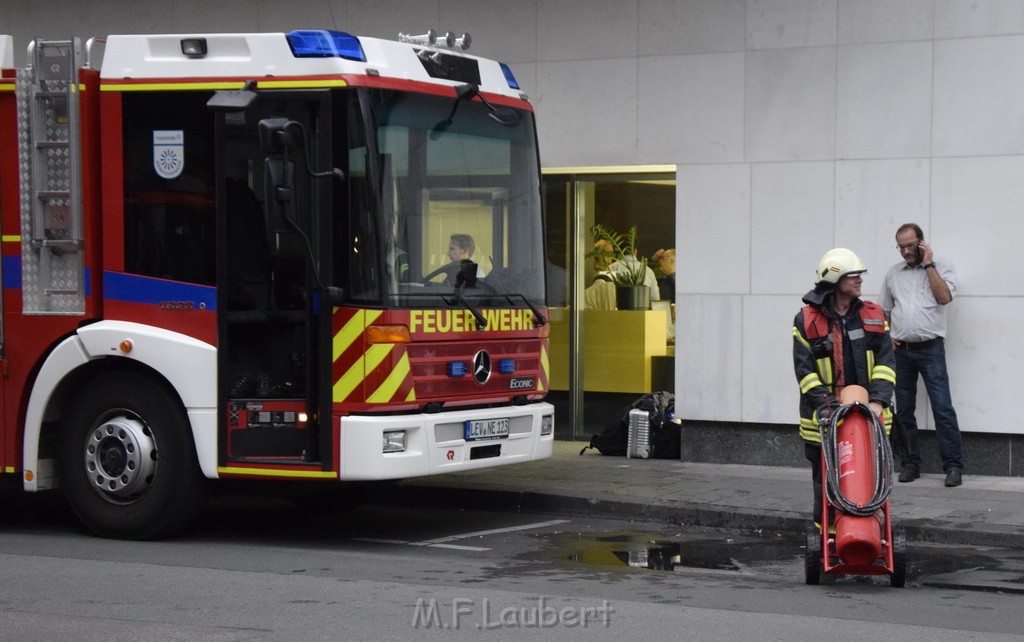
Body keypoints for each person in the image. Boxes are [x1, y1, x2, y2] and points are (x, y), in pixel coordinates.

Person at [792, 248, 895, 529]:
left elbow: (886, 363)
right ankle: (828, 541)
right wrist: (827, 409)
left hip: (868, 418)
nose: (860, 280)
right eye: (853, 275)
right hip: (824, 420)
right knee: (825, 486)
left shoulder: (874, 315)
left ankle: (867, 534)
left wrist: (878, 401)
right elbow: (805, 373)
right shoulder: (806, 321)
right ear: (834, 280)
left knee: (867, 483)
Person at [879, 223, 964, 487]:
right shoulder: (893, 275)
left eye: (909, 245)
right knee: (904, 411)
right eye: (900, 247)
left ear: (922, 243)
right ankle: (910, 464)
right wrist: (886, 334)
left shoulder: (942, 265)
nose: (905, 251)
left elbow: (944, 298)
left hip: (931, 349)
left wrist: (929, 265)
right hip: (901, 351)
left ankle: (952, 467)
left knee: (942, 408)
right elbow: (883, 310)